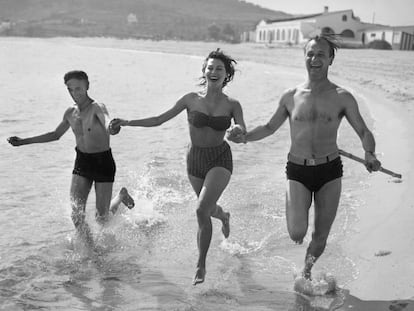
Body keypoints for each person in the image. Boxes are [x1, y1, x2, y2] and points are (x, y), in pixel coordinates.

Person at [228, 35, 381, 279]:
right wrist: (243, 137)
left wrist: (370, 153)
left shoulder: (342, 97)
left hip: (329, 171)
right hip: (298, 170)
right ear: (304, 57)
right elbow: (268, 127)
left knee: (320, 236)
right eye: (310, 54)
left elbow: (363, 131)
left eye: (321, 54)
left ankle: (306, 272)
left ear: (330, 59)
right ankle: (293, 200)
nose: (314, 59)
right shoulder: (291, 96)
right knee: (297, 232)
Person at [109, 49, 246, 285]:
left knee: (201, 210)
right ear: (204, 71)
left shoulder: (233, 104)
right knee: (209, 209)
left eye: (219, 69)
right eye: (210, 68)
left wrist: (236, 130)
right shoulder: (190, 99)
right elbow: (159, 119)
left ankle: (200, 264)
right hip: (195, 161)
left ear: (227, 75)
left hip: (220, 159)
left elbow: (241, 128)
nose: (213, 72)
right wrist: (128, 122)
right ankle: (223, 216)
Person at [7, 70, 135, 247]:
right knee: (76, 215)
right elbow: (55, 134)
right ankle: (92, 252)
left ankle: (120, 197)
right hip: (82, 162)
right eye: (70, 89)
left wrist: (113, 127)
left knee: (102, 219)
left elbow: (107, 122)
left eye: (79, 89)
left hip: (102, 162)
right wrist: (24, 142)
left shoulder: (98, 107)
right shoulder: (70, 112)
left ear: (87, 87)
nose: (75, 93)